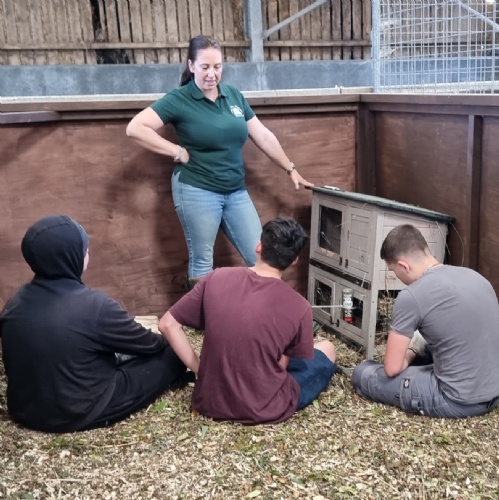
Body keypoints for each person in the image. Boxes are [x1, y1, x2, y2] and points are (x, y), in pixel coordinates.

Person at [126, 35, 313, 289]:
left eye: (217, 66)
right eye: (205, 67)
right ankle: (202, 313)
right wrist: (176, 151)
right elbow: (136, 128)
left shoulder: (233, 96)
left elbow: (263, 136)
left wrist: (290, 168)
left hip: (235, 191)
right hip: (197, 188)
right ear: (191, 65)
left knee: (261, 255)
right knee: (203, 260)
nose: (212, 74)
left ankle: (261, 310)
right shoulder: (179, 99)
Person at [0, 215, 190, 433]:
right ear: (71, 256)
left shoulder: (14, 303)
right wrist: (164, 341)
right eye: (84, 249)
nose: (87, 253)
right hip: (79, 411)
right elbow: (151, 345)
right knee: (174, 354)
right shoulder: (94, 305)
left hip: (25, 410)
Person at [158, 216, 337, 424]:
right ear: (294, 260)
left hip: (208, 402)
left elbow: (167, 324)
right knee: (328, 348)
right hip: (265, 408)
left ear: (259, 247)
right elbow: (282, 365)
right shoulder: (300, 306)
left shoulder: (216, 277)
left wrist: (201, 371)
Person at [351, 224, 499, 418]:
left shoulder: (412, 295)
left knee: (363, 373)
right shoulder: (476, 277)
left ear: (404, 266)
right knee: (430, 346)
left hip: (456, 399)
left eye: (394, 271)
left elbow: (392, 368)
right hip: (493, 392)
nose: (397, 277)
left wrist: (412, 351)